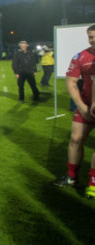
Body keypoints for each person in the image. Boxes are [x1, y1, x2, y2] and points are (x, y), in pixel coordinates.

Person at [53, 24, 95, 199]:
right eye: (90, 37)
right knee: (75, 138)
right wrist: (82, 106)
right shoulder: (80, 56)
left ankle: (93, 183)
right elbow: (70, 82)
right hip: (85, 105)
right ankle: (72, 176)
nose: (93, 39)